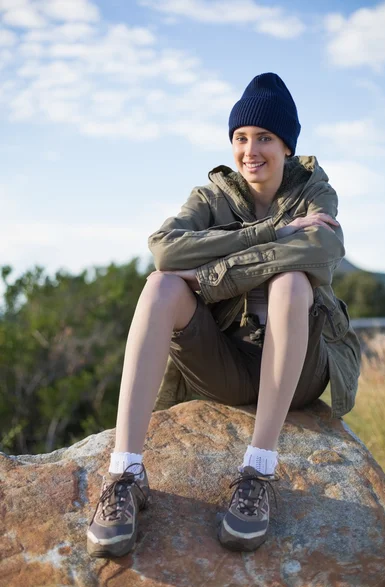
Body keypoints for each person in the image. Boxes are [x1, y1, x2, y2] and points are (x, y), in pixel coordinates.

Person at [86, 73, 361, 557]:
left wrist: (210, 275)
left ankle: (257, 470)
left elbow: (322, 248)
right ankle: (125, 473)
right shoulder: (211, 196)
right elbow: (164, 251)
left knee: (293, 281)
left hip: (298, 373)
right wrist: (270, 234)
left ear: (287, 147)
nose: (250, 150)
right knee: (160, 287)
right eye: (241, 138)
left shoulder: (316, 192)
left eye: (265, 138)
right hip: (227, 365)